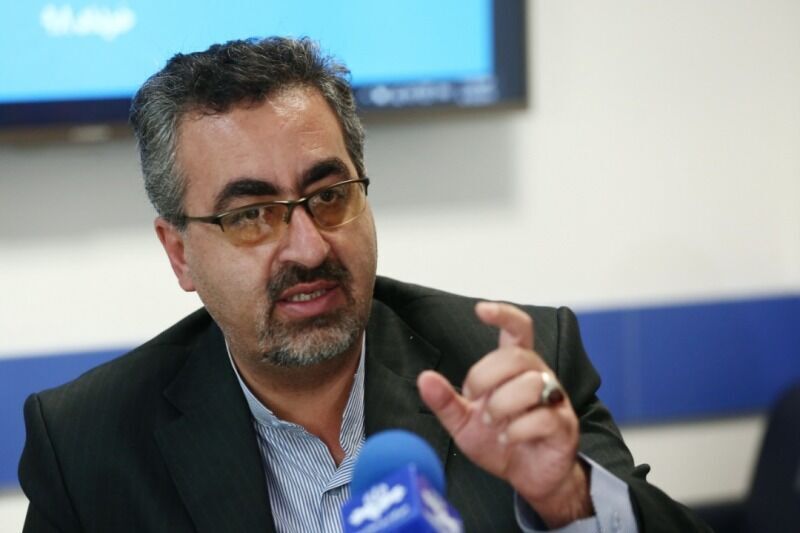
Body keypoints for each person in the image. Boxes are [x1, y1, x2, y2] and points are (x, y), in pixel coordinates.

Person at [18, 37, 710, 532]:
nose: (309, 246)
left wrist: (567, 499)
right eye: (251, 215)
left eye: (329, 195)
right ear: (180, 255)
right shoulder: (88, 445)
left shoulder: (507, 368)